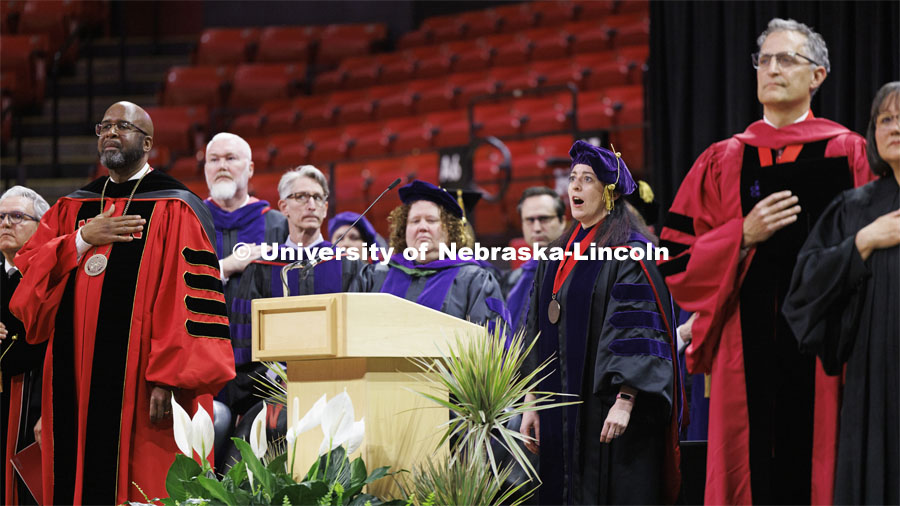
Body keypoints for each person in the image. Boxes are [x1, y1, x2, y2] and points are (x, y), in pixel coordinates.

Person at [657, 18, 874, 505]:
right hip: (745, 345)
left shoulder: (851, 152)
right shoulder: (723, 159)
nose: (772, 69)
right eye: (764, 60)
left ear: (817, 75)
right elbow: (675, 257)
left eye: (786, 59)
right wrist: (741, 236)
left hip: (827, 346)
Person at [9, 101, 236, 505]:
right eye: (105, 126)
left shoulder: (176, 206)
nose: (111, 133)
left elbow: (184, 301)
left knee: (143, 481)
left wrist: (167, 379)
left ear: (147, 142)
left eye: (123, 126)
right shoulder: (74, 208)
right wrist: (82, 239)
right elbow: (30, 276)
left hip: (143, 382)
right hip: (71, 380)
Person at [518, 141, 682, 505]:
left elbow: (638, 332)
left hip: (610, 414)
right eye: (573, 178)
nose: (574, 187)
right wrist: (532, 399)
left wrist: (626, 399)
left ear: (609, 193)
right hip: (558, 411)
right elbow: (535, 329)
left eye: (587, 179)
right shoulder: (554, 256)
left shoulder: (631, 254)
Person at [783, 81, 900, 505]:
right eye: (885, 119)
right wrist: (863, 242)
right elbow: (803, 288)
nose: (894, 128)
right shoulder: (855, 208)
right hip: (873, 383)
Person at [350, 180, 505, 325]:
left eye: (431, 220)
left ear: (450, 230)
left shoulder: (474, 280)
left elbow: (490, 344)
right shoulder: (376, 275)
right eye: (415, 221)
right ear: (404, 230)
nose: (422, 227)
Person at [203, 132, 288, 315]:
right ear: (205, 168)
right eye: (214, 160)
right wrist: (226, 266)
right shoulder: (191, 220)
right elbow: (173, 283)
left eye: (231, 158)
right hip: (203, 336)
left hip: (261, 337)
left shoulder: (277, 224)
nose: (222, 166)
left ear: (250, 169)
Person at [0, 186, 49, 505]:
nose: (5, 223)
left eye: (17, 216)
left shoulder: (52, 277)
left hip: (34, 399)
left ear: (40, 226)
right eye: (1, 217)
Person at [502, 186, 567, 331]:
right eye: (529, 220)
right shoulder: (514, 280)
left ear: (562, 221)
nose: (537, 228)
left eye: (544, 219)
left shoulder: (575, 273)